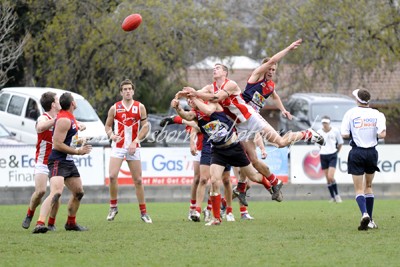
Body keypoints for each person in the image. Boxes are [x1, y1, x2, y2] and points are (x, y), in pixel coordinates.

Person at [183, 60, 324, 202]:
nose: (271, 72)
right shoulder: (254, 78)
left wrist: (283, 110)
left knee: (279, 143)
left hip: (252, 119)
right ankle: (267, 183)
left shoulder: (269, 86)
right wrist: (189, 95)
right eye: (269, 68)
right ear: (263, 69)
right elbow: (202, 94)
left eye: (273, 70)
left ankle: (308, 134)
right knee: (251, 160)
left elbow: (275, 96)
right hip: (241, 123)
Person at [32, 92, 92, 233]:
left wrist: (81, 142)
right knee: (56, 193)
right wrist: (78, 151)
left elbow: (68, 140)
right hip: (58, 160)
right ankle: (40, 223)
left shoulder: (70, 118)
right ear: (72, 103)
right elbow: (57, 144)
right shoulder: (64, 119)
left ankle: (71, 223)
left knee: (79, 192)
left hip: (68, 161)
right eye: (75, 100)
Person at [105, 79, 152, 223]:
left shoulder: (140, 107)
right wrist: (112, 135)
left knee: (138, 180)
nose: (127, 91)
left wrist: (136, 141)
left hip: (133, 147)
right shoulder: (115, 108)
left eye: (129, 89)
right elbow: (107, 126)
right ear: (121, 92)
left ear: (133, 91)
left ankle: (144, 212)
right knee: (112, 176)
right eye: (124, 89)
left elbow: (145, 127)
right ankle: (113, 207)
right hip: (118, 146)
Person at [341, 88, 386, 231]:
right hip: (372, 153)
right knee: (369, 186)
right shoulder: (377, 114)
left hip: (357, 152)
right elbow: (382, 134)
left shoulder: (350, 113)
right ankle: (371, 220)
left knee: (359, 189)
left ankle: (364, 213)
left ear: (357, 100)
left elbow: (344, 135)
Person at [22, 92, 61, 231]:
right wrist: (56, 120)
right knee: (40, 191)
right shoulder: (43, 118)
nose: (59, 101)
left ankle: (51, 223)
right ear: (52, 104)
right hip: (42, 161)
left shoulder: (62, 117)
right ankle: (29, 213)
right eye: (57, 100)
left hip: (57, 161)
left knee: (57, 193)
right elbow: (40, 128)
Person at [317, 115, 344, 203]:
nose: (325, 125)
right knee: (327, 179)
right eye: (323, 123)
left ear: (329, 123)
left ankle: (337, 195)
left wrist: (336, 152)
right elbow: (317, 144)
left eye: (326, 123)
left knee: (330, 176)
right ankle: (332, 197)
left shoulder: (335, 131)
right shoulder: (319, 132)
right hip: (323, 155)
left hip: (332, 154)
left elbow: (340, 143)